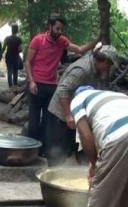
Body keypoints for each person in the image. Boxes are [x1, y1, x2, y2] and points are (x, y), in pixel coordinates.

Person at [25, 16, 99, 158]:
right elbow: (28, 62)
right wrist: (31, 81)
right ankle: (29, 151)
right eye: (57, 28)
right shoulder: (38, 40)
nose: (60, 32)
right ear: (50, 26)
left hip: (52, 85)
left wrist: (96, 41)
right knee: (34, 121)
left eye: (62, 29)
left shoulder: (62, 41)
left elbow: (79, 49)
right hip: (37, 84)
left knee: (47, 121)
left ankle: (41, 151)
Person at [46, 44, 117, 166]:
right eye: (109, 64)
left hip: (76, 114)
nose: (109, 68)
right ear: (103, 60)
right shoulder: (82, 69)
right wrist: (68, 115)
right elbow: (62, 90)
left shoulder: (96, 69)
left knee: (75, 149)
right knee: (58, 152)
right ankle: (51, 178)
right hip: (61, 114)